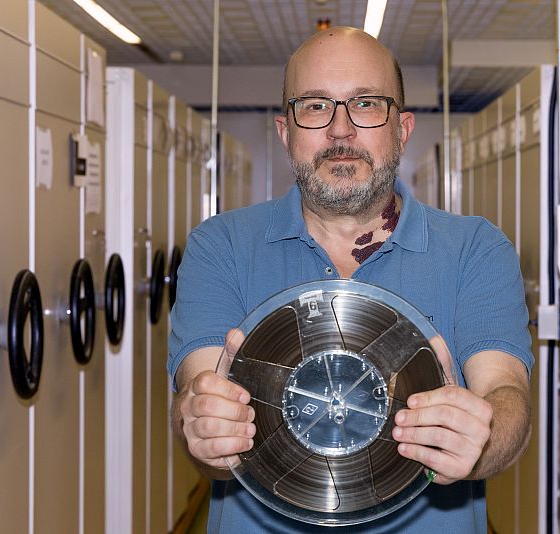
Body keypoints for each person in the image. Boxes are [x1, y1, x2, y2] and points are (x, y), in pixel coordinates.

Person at [169, 26, 533, 533]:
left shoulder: (475, 248)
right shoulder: (222, 246)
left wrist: (483, 437)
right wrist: (202, 423)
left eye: (366, 104)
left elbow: (507, 396)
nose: (341, 131)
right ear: (286, 132)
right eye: (316, 106)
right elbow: (196, 394)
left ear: (402, 129)